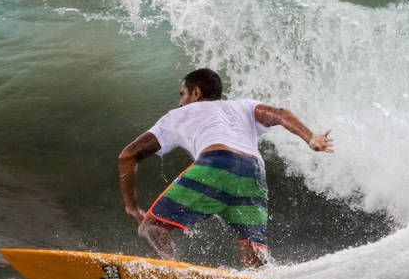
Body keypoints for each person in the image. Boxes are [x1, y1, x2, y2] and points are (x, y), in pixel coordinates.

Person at [118, 68, 333, 268]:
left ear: (196, 93)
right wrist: (311, 137)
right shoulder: (244, 106)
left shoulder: (180, 114)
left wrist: (131, 206)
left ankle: (174, 271)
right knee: (254, 251)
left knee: (151, 226)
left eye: (182, 94)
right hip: (254, 172)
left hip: (216, 163)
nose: (181, 102)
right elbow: (280, 114)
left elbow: (128, 155)